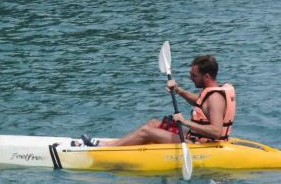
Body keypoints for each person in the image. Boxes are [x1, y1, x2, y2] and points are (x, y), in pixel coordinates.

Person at [84, 54, 235, 147]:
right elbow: (200, 103)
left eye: (194, 75)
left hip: (203, 145)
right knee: (154, 124)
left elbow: (216, 131)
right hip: (195, 138)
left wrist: (185, 122)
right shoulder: (212, 93)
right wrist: (178, 90)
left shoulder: (215, 98)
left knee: (146, 131)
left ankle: (107, 148)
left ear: (207, 76)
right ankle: (117, 144)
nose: (191, 78)